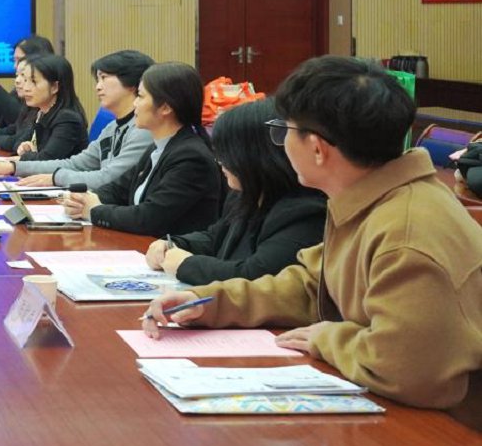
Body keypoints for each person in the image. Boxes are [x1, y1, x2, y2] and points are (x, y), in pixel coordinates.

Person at [144, 56, 482, 427]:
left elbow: (410, 368)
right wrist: (207, 303)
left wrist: (328, 339)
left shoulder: (406, 232)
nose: (281, 142)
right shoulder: (369, 198)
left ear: (318, 149)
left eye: (284, 130)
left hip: (444, 432)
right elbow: (311, 285)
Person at [144, 98, 326, 284]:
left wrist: (185, 265)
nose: (219, 161)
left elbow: (255, 276)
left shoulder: (305, 213)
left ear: (255, 155)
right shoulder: (245, 195)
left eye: (226, 153)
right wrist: (173, 244)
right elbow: (215, 238)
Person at [62, 62, 224, 236]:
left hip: (170, 250)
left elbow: (148, 217)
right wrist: (82, 200)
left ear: (165, 107)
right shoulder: (157, 147)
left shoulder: (191, 157)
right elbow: (118, 189)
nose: (135, 104)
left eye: (140, 96)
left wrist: (94, 211)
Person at [0, 49, 155, 190]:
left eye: (104, 78)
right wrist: (14, 167)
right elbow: (78, 163)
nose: (98, 87)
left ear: (132, 84)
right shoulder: (112, 127)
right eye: (97, 79)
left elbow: (109, 178)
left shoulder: (143, 130)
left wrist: (55, 178)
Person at [0, 34, 53, 128]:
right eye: (14, 60)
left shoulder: (43, 92)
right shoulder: (20, 86)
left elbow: (19, 120)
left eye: (19, 60)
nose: (15, 66)